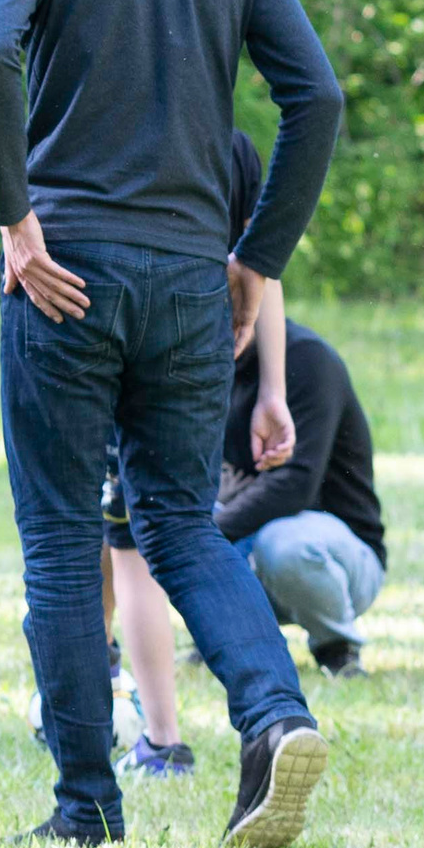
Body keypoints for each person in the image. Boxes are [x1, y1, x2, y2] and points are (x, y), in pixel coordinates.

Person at [0, 0, 346, 848]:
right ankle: (273, 715)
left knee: (57, 538)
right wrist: (256, 256)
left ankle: (86, 806)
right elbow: (316, 97)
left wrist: (14, 218)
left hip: (63, 277)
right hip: (189, 281)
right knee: (180, 524)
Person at [100, 131, 297, 779]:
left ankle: (161, 739)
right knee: (157, 528)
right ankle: (102, 672)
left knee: (134, 543)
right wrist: (273, 389)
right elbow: (262, 267)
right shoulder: (232, 145)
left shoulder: (115, 128)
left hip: (121, 340)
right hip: (204, 347)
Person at [218, 275, 388, 679]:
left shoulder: (308, 360)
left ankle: (336, 647)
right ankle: (220, 637)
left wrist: (202, 536)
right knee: (161, 521)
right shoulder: (200, 362)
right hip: (249, 546)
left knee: (283, 545)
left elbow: (295, 485)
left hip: (335, 556)